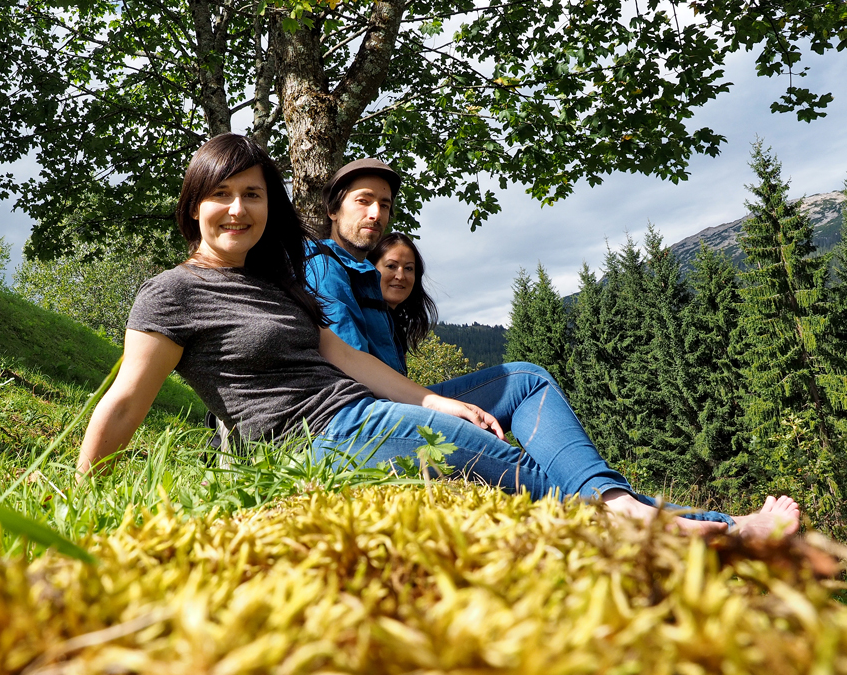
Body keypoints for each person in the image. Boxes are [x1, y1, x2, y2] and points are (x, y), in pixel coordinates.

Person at [77, 133, 799, 543]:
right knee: (530, 485)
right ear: (193, 204)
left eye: (253, 195)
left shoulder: (278, 285)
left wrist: (434, 400)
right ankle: (702, 531)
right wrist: (84, 499)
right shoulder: (172, 292)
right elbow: (126, 401)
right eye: (221, 194)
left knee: (525, 382)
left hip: (363, 412)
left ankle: (654, 519)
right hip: (321, 438)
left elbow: (345, 357)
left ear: (270, 205)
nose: (237, 209)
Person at [305, 159, 406, 373]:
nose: (376, 214)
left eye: (384, 205)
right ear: (333, 211)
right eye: (363, 201)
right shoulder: (323, 267)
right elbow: (352, 370)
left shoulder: (364, 275)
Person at [367, 232, 437, 370]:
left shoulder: (396, 326)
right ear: (371, 267)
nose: (401, 276)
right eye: (391, 266)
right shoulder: (363, 318)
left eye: (409, 268)